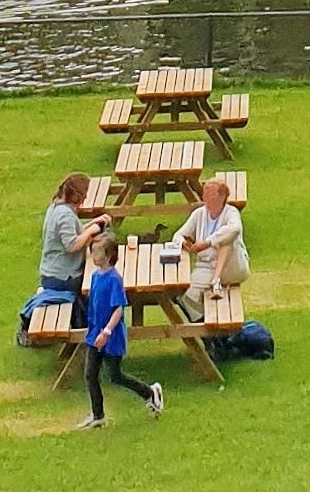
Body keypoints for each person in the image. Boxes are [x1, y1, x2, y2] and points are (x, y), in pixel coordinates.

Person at [81, 235, 163, 428]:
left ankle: (150, 393)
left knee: (115, 375)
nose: (93, 255)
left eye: (98, 251)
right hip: (95, 334)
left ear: (109, 255)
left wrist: (107, 331)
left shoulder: (114, 279)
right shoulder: (94, 276)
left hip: (110, 336)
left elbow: (118, 308)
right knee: (90, 374)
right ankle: (98, 415)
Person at [173, 178, 249, 318]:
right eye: (204, 193)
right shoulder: (199, 214)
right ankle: (204, 323)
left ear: (222, 196)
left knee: (226, 239)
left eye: (210, 193)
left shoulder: (231, 213)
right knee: (185, 294)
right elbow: (178, 235)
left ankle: (216, 280)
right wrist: (183, 243)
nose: (205, 197)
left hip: (232, 268)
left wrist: (208, 242)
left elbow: (235, 229)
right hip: (206, 267)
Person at [37, 174, 108, 300]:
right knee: (100, 283)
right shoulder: (65, 215)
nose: (86, 197)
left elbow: (74, 233)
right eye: (84, 194)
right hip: (61, 278)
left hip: (51, 274)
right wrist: (91, 230)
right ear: (76, 196)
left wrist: (93, 222)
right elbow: (72, 245)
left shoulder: (55, 207)